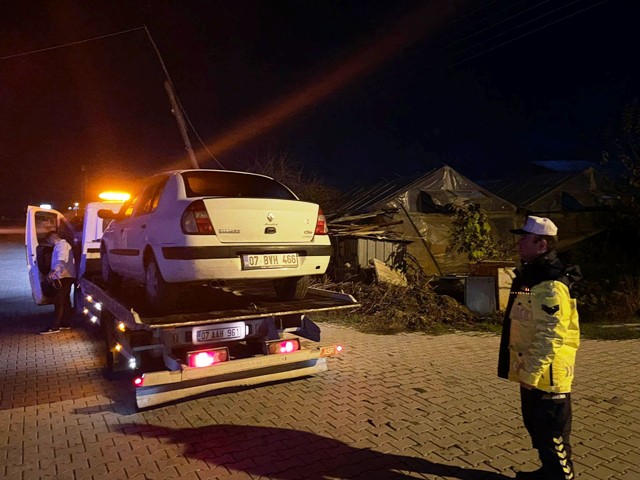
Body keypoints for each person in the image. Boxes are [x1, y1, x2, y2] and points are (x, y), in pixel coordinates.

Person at [497, 216, 581, 480]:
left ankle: (559, 476)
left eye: (525, 238)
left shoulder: (550, 284)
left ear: (542, 245)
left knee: (553, 434)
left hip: (548, 375)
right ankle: (548, 472)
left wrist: (531, 373)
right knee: (538, 429)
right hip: (534, 372)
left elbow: (551, 335)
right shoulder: (533, 277)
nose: (519, 243)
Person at [40, 230, 77, 334]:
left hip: (64, 276)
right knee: (65, 301)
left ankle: (55, 326)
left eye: (48, 241)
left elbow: (61, 260)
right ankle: (65, 323)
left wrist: (53, 272)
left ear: (51, 239)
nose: (49, 243)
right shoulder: (62, 245)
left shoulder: (61, 245)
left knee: (58, 301)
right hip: (66, 276)